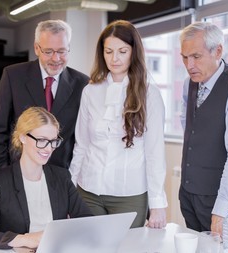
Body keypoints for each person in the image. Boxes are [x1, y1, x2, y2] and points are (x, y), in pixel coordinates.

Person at [69, 20, 168, 229]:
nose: (115, 58)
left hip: (129, 195)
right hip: (89, 190)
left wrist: (158, 203)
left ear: (134, 52)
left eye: (122, 51)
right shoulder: (90, 91)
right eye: (108, 51)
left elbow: (154, 152)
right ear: (101, 53)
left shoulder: (150, 94)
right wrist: (70, 187)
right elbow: (82, 145)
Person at [0, 107, 91, 249]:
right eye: (42, 140)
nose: (48, 148)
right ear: (22, 137)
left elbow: (87, 222)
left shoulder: (61, 177)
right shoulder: (0, 181)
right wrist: (24, 240)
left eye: (53, 141)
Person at [178, 21, 228, 235]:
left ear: (218, 51)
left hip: (220, 199)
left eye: (196, 56)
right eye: (184, 57)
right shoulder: (189, 83)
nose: (189, 65)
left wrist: (223, 209)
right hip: (190, 193)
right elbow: (191, 129)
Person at [0, 19, 89, 171]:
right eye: (48, 51)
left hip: (61, 177)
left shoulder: (82, 83)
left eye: (61, 51)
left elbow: (82, 139)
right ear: (36, 48)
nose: (56, 59)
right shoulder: (13, 76)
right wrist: (1, 176)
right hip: (19, 174)